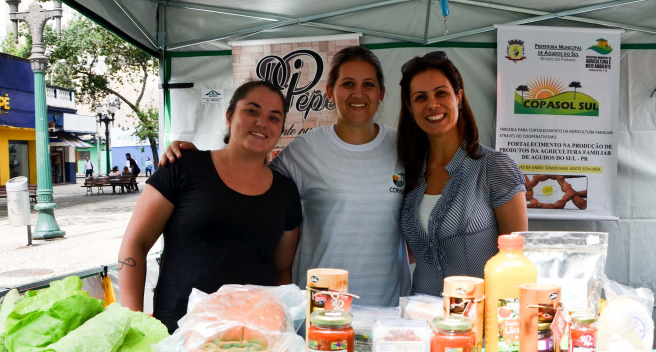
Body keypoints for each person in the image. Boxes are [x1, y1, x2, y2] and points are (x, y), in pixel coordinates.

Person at [162, 46, 410, 307]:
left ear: (381, 93)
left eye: (368, 84)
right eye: (347, 83)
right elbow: (251, 177)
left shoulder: (403, 147)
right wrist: (202, 161)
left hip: (388, 307)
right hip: (320, 308)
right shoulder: (305, 149)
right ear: (329, 91)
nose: (358, 93)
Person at [118, 80, 302, 332]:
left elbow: (282, 270)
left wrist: (281, 330)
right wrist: (131, 324)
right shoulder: (183, 166)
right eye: (251, 111)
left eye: (274, 117)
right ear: (229, 117)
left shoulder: (286, 192)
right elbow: (134, 246)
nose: (262, 122)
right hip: (178, 336)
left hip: (254, 340)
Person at [397, 52, 528, 296]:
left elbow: (517, 264)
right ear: (410, 107)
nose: (432, 104)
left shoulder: (495, 168)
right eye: (420, 97)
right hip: (421, 321)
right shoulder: (408, 173)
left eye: (441, 93)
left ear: (458, 96)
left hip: (479, 324)